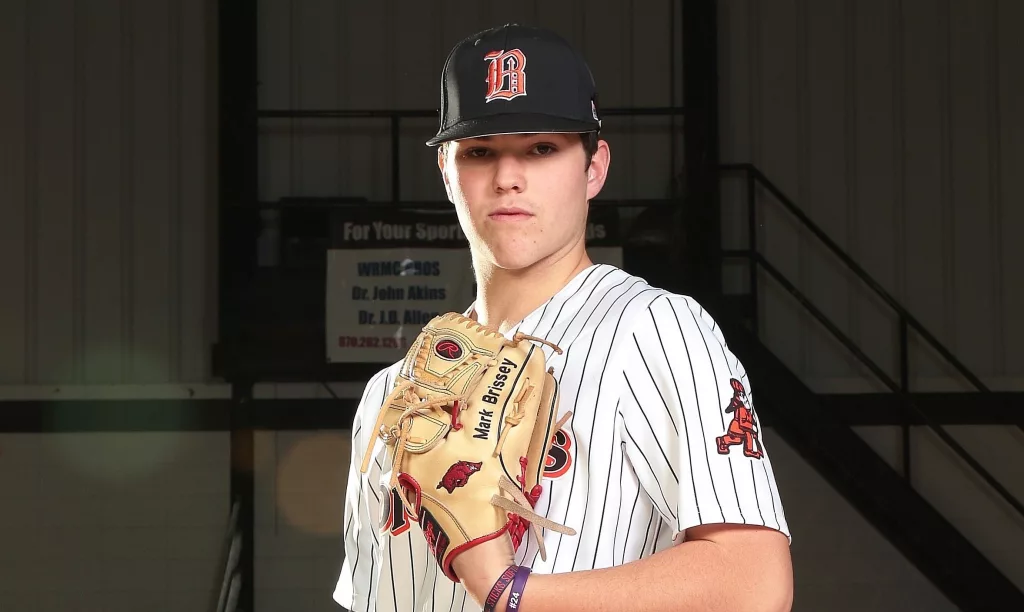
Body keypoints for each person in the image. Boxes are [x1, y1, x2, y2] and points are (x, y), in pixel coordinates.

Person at [334, 23, 793, 612]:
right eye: (480, 152)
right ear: (448, 172)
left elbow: (755, 584)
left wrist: (510, 592)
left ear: (594, 167)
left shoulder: (654, 330)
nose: (507, 178)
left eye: (541, 148)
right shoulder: (392, 397)